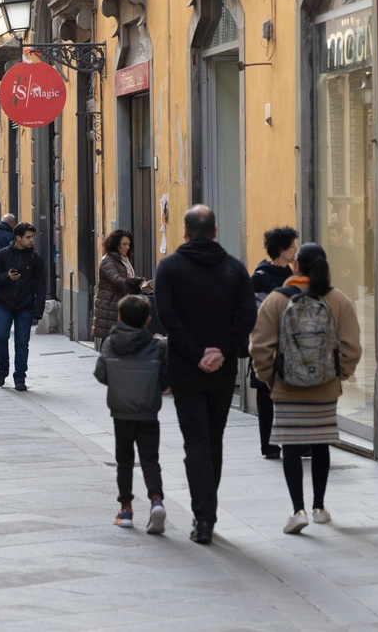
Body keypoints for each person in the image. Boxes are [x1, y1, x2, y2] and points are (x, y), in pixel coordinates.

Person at [153, 205, 258, 545]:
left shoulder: (169, 268)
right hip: (222, 370)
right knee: (214, 438)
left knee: (196, 441)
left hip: (185, 368)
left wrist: (197, 353)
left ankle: (204, 516)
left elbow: (167, 316)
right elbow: (246, 317)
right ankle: (206, 513)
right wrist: (221, 351)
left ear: (184, 233)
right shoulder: (235, 269)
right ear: (215, 232)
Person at [249, 243, 362, 535]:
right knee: (321, 443)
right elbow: (351, 347)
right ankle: (319, 507)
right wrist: (338, 376)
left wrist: (270, 378)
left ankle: (297, 509)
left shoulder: (277, 299)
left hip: (286, 387)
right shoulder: (339, 300)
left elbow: (259, 346)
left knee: (290, 445)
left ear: (296, 266)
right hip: (325, 388)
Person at [94, 294, 168, 534]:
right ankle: (156, 501)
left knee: (124, 461)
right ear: (148, 320)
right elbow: (165, 381)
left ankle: (126, 509)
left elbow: (101, 374)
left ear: (119, 317)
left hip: (121, 413)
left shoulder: (109, 343)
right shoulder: (157, 346)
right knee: (150, 459)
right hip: (148, 412)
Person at [251, 226, 300, 460]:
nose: (296, 250)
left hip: (290, 346)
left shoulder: (291, 273)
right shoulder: (261, 277)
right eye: (292, 246)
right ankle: (268, 444)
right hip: (269, 345)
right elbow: (259, 313)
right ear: (281, 250)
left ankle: (297, 443)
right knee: (266, 395)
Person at [0, 222, 46, 391]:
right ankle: (2, 370)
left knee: (22, 342)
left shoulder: (35, 258)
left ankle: (20, 377)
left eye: (32, 237)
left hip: (25, 306)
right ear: (18, 238)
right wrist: (7, 277)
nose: (31, 240)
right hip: (3, 304)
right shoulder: (2, 254)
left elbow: (41, 285)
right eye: (28, 237)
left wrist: (38, 310)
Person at [93, 229, 150, 351]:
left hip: (120, 304)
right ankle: (105, 364)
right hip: (110, 306)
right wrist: (136, 281)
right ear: (115, 244)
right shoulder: (107, 261)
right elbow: (116, 279)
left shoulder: (124, 260)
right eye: (124, 244)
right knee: (108, 338)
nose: (127, 247)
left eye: (129, 244)